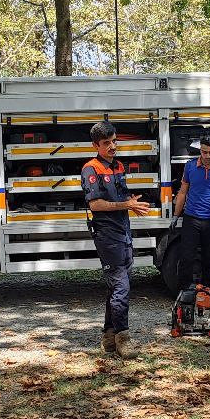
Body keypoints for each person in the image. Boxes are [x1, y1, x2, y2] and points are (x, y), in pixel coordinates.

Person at [83, 121, 151, 354]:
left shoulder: (119, 166)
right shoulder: (90, 169)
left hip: (123, 232)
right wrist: (126, 204)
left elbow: (119, 198)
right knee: (121, 286)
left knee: (116, 288)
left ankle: (109, 338)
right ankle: (124, 338)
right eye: (106, 143)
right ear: (96, 145)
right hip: (107, 235)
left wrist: (132, 204)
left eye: (114, 141)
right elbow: (96, 204)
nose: (112, 146)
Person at [172, 135, 210, 289]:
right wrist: (175, 216)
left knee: (209, 258)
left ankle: (207, 292)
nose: (207, 156)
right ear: (200, 150)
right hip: (191, 218)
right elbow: (182, 193)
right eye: (204, 152)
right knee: (186, 258)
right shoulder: (190, 167)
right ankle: (184, 292)